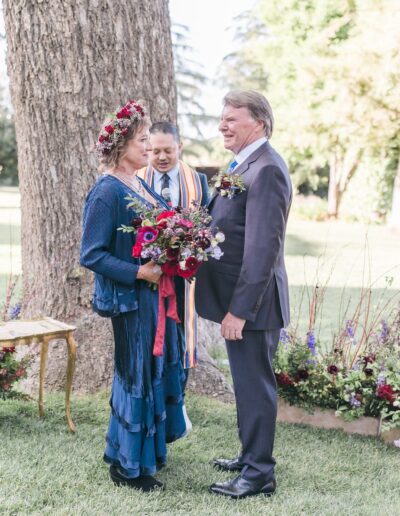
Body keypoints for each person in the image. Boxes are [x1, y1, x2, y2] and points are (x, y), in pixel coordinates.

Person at [80, 100, 187, 492]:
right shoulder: (106, 191)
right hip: (128, 300)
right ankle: (126, 466)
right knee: (134, 377)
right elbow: (90, 253)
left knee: (150, 373)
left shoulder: (137, 183)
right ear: (121, 144)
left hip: (152, 297)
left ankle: (146, 456)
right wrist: (138, 271)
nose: (147, 146)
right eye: (142, 140)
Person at [195, 90, 292, 499]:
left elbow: (261, 250)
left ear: (260, 124)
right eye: (223, 118)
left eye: (232, 119)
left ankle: (258, 474)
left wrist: (239, 311)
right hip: (238, 300)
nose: (222, 126)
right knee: (246, 383)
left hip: (253, 305)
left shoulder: (266, 169)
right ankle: (249, 454)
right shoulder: (244, 164)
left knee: (255, 387)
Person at [137, 122, 209, 373]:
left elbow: (206, 227)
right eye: (155, 151)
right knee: (150, 336)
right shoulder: (136, 180)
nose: (162, 157)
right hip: (147, 273)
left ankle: (179, 395)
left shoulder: (198, 182)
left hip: (184, 277)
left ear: (180, 147)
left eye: (168, 150)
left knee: (180, 336)